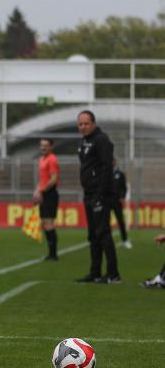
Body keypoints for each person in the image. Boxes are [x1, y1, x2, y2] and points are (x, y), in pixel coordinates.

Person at [75, 110, 120, 284]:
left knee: (103, 233)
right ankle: (95, 272)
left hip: (100, 193)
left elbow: (107, 168)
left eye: (86, 123)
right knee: (93, 235)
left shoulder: (101, 140)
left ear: (93, 123)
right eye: (80, 124)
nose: (83, 127)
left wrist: (100, 194)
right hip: (89, 193)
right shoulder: (83, 141)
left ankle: (113, 274)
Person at [33, 137, 59, 261]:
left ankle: (53, 254)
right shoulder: (41, 159)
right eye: (42, 145)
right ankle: (51, 253)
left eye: (46, 145)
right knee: (44, 222)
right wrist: (37, 190)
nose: (43, 147)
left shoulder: (52, 159)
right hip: (44, 193)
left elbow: (53, 179)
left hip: (50, 193)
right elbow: (43, 179)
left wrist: (41, 191)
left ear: (51, 147)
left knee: (48, 222)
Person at [112, 158, 131, 249]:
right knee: (104, 222)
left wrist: (122, 197)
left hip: (117, 201)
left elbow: (124, 187)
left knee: (121, 221)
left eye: (112, 161)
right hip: (107, 201)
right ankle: (103, 242)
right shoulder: (105, 173)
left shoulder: (120, 174)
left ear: (115, 162)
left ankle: (125, 240)